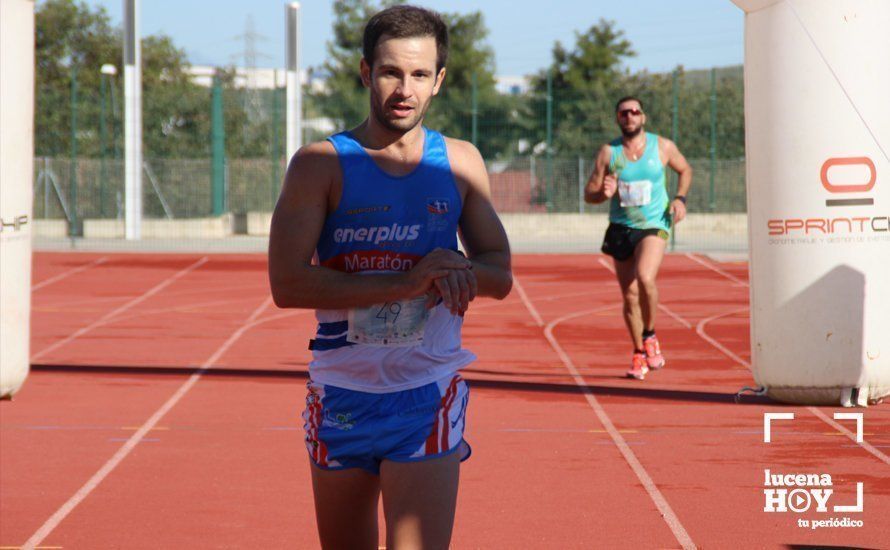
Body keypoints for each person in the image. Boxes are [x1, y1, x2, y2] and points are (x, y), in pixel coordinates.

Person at [268, 5, 512, 549]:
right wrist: (407, 283)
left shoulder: (459, 163)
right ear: (364, 72)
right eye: (390, 72)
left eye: (420, 74)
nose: (405, 88)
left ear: (439, 80)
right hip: (342, 395)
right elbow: (286, 284)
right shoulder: (319, 164)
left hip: (426, 392)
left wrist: (459, 270)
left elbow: (499, 272)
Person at [584, 96, 692, 381]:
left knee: (645, 278)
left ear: (643, 117)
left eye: (635, 112)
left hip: (655, 223)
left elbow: (685, 169)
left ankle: (650, 334)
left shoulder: (662, 146)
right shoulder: (609, 153)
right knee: (629, 295)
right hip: (622, 227)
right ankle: (638, 352)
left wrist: (680, 199)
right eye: (623, 113)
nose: (630, 116)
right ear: (618, 119)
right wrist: (602, 194)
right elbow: (589, 193)